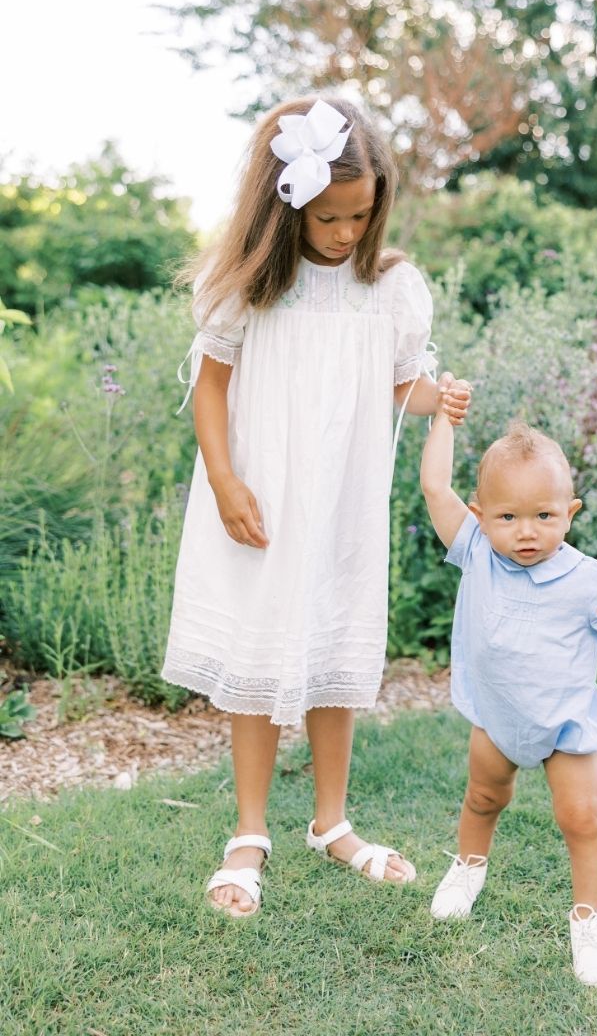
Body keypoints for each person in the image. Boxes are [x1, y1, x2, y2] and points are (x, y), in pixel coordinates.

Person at [164, 96, 470, 918]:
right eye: (327, 217)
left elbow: (400, 384)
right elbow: (211, 384)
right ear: (284, 204)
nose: (343, 232)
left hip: (341, 498)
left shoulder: (392, 288)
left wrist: (441, 397)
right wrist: (226, 480)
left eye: (358, 216)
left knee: (336, 649)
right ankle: (250, 830)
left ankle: (331, 821)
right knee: (262, 658)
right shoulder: (255, 285)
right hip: (261, 491)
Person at [419, 405, 597, 987]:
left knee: (581, 818)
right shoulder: (476, 550)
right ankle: (468, 868)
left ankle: (588, 918)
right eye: (508, 517)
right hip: (497, 718)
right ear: (480, 515)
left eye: (545, 515)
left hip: (564, 726)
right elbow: (433, 485)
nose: (527, 532)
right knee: (482, 799)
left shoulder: (584, 578)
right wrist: (443, 421)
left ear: (569, 514)